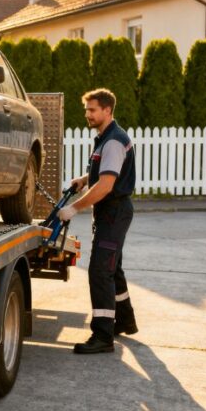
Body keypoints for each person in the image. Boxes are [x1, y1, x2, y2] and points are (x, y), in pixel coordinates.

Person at [58, 88, 137, 354]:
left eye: (92, 110)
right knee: (113, 269)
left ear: (107, 110)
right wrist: (83, 180)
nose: (87, 114)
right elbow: (102, 173)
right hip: (112, 212)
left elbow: (105, 186)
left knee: (100, 272)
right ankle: (124, 321)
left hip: (113, 212)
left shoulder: (113, 140)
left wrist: (73, 209)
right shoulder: (108, 138)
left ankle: (103, 336)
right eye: (87, 110)